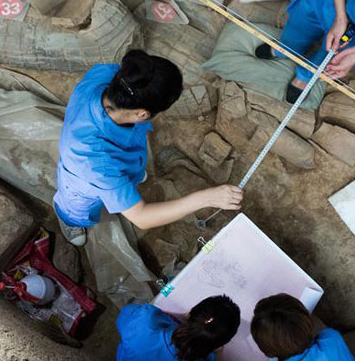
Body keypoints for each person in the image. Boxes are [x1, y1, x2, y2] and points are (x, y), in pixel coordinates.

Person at [53, 50, 243, 246]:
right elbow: (141, 217)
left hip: (108, 160)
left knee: (127, 173)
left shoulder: (110, 77)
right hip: (79, 191)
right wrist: (206, 198)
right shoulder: (96, 162)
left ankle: (131, 176)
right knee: (78, 209)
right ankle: (69, 220)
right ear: (142, 115)